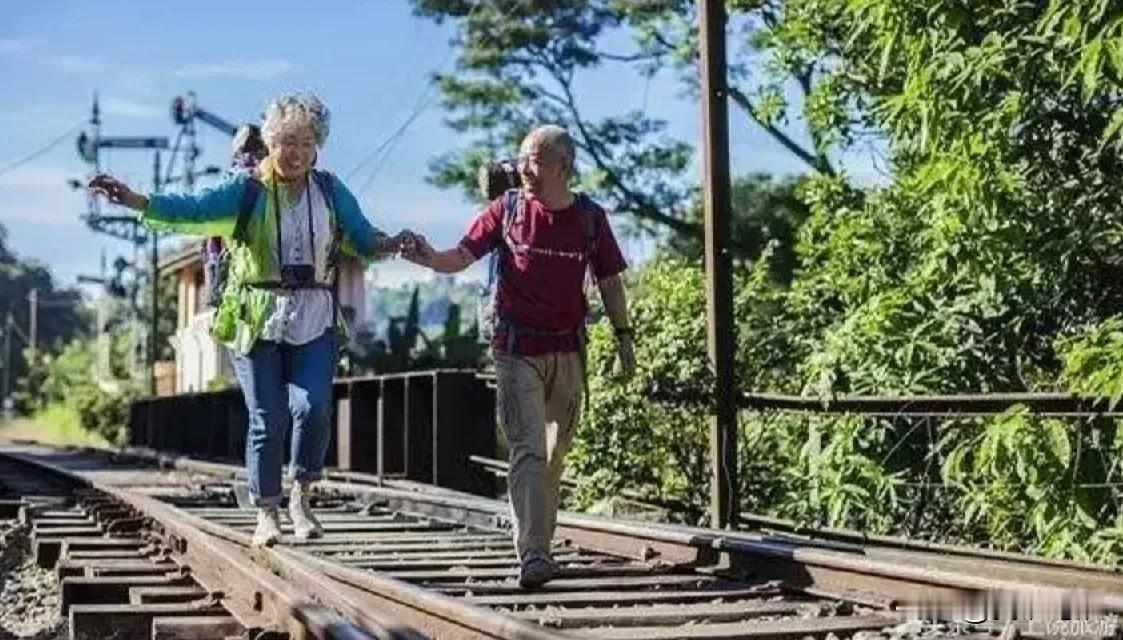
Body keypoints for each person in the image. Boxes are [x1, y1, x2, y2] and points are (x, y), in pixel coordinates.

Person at [90, 92, 414, 546]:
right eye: (285, 142)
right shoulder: (247, 190)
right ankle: (266, 511)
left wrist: (392, 242)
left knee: (313, 406)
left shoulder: (330, 191)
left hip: (315, 315)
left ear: (316, 144)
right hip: (254, 318)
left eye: (304, 142)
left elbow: (361, 237)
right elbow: (193, 208)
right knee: (269, 415)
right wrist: (137, 200)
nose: (295, 152)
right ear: (270, 143)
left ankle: (301, 493)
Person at [404, 124, 636, 588]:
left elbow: (610, 281)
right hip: (515, 349)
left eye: (533, 160)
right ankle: (532, 554)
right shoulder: (506, 210)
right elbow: (461, 256)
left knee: (554, 453)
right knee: (527, 449)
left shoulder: (590, 219)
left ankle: (539, 546)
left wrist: (624, 335)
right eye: (522, 157)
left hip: (568, 348)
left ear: (562, 167)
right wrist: (430, 257)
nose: (522, 168)